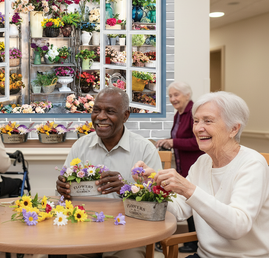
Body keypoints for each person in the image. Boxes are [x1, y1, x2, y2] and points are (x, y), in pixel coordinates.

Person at [136, 91, 269, 258]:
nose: (198, 128)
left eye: (208, 121)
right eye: (196, 121)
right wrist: (153, 184)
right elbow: (178, 211)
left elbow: (237, 227)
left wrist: (188, 189)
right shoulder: (202, 162)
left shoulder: (252, 164)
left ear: (233, 129)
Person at [56, 87, 162, 258]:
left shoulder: (144, 150)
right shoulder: (80, 146)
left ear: (126, 115)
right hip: (83, 232)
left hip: (128, 236)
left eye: (110, 111)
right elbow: (62, 196)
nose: (101, 117)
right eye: (96, 110)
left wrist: (125, 190)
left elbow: (157, 203)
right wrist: (62, 188)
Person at [155, 81, 203, 253]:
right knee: (186, 200)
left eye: (176, 95)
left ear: (187, 95)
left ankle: (195, 242)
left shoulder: (193, 113)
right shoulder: (179, 114)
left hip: (194, 165)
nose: (173, 99)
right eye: (170, 96)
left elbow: (197, 142)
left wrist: (172, 142)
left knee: (194, 201)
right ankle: (192, 242)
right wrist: (167, 142)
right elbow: (178, 138)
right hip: (183, 166)